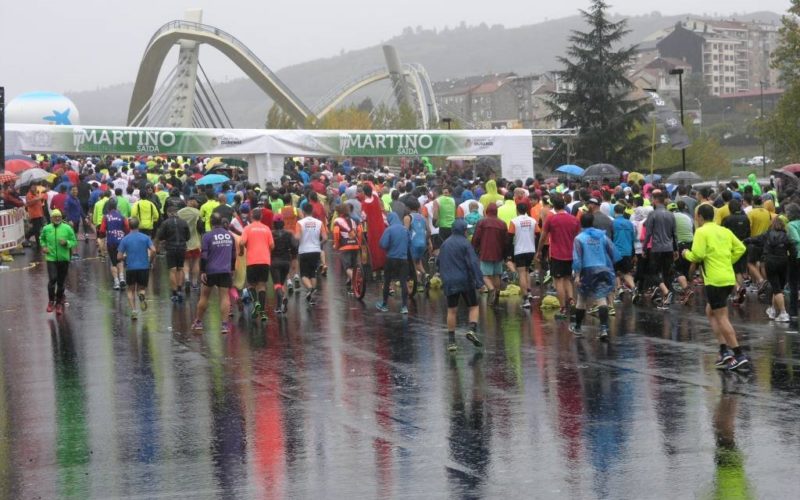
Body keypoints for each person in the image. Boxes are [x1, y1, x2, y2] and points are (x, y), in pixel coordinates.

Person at [683, 204, 749, 370]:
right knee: (710, 311)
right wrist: (728, 260)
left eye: (696, 216)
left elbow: (697, 255)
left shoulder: (701, 231)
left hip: (714, 280)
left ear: (700, 217)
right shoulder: (724, 230)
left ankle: (738, 353)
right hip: (728, 277)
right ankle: (723, 351)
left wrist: (685, 254)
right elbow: (741, 248)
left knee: (721, 316)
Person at [570, 213, 619, 339]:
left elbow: (577, 258)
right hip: (602, 269)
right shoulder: (601, 236)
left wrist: (577, 275)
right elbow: (612, 250)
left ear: (581, 223)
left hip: (587, 271)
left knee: (581, 299)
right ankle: (603, 329)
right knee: (601, 298)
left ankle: (578, 327)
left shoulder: (579, 238)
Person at [438, 219, 484, 351]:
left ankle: (451, 341)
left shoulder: (444, 244)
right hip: (465, 280)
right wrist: (479, 282)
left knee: (452, 310)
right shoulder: (465, 244)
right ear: (463, 230)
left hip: (449, 281)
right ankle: (471, 329)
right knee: (473, 306)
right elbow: (473, 263)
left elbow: (438, 262)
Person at [537, 195, 580, 319]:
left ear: (554, 207)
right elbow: (577, 236)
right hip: (570, 254)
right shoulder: (573, 219)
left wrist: (539, 251)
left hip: (556, 255)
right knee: (567, 279)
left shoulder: (551, 219)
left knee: (558, 281)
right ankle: (571, 301)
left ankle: (562, 308)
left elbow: (543, 236)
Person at [193, 213, 237, 333]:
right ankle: (224, 325)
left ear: (211, 223)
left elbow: (204, 256)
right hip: (225, 270)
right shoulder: (229, 236)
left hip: (210, 271)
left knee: (204, 297)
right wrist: (232, 269)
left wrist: (202, 271)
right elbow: (233, 255)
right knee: (224, 297)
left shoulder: (207, 236)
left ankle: (198, 322)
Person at [745, 218, 793, 322]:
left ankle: (783, 313)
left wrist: (746, 240)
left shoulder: (768, 234)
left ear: (772, 225)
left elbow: (756, 239)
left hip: (771, 262)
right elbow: (792, 249)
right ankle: (772, 310)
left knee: (776, 289)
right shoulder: (786, 236)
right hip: (784, 262)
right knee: (778, 288)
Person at [643, 191, 678, 309]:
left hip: (657, 248)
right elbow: (674, 234)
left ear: (656, 201)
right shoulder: (671, 214)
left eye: (653, 199)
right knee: (666, 273)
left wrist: (644, 247)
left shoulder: (652, 214)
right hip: (669, 248)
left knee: (653, 273)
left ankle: (666, 293)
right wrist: (676, 249)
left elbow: (648, 233)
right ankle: (666, 299)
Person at [240, 207, 275, 321]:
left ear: (251, 217)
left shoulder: (247, 228)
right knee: (262, 286)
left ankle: (256, 303)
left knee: (250, 285)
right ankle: (263, 312)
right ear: (261, 217)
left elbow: (241, 242)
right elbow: (272, 246)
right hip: (264, 260)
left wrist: (242, 250)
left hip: (252, 260)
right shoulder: (266, 228)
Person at [117, 217, 156, 320]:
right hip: (144, 266)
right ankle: (142, 295)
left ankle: (134, 311)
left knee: (130, 290)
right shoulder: (145, 237)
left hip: (131, 267)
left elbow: (119, 257)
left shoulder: (125, 239)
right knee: (142, 288)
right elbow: (154, 250)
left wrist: (125, 257)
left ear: (129, 226)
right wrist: (150, 261)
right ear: (138, 225)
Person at [40, 209, 77, 314]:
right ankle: (51, 301)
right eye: (55, 216)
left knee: (60, 282)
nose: (57, 218)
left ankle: (59, 303)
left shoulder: (67, 228)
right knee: (52, 279)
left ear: (61, 218)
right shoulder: (46, 228)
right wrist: (44, 247)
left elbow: (74, 241)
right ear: (51, 218)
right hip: (51, 258)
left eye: (59, 216)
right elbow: (41, 239)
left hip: (64, 259)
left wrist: (66, 243)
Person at [472, 202, 508, 306]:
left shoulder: (482, 222)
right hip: (499, 253)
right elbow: (506, 241)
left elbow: (476, 238)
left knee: (484, 275)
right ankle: (496, 294)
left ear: (487, 211)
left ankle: (491, 289)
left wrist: (474, 248)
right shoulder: (502, 223)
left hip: (485, 252)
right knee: (496, 275)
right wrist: (505, 254)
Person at [375, 212, 411, 314]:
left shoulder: (389, 230)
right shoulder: (405, 229)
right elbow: (409, 243)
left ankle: (385, 304)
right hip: (403, 260)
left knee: (387, 281)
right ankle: (404, 307)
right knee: (403, 282)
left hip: (391, 259)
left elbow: (383, 244)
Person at [156, 207, 191, 302]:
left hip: (171, 248)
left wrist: (164, 241)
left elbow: (160, 236)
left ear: (168, 213)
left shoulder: (165, 223)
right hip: (182, 248)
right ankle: (180, 290)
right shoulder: (183, 222)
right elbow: (188, 237)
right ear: (177, 213)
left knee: (172, 270)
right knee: (180, 269)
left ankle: (174, 293)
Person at [296, 203, 327, 305]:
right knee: (313, 273)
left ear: (303, 212)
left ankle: (310, 289)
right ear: (312, 211)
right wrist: (319, 244)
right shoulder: (319, 222)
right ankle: (311, 297)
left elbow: (297, 237)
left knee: (304, 275)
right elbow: (325, 238)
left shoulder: (300, 223)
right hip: (316, 251)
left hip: (304, 251)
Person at [508, 202, 538, 308]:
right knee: (527, 271)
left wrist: (509, 253)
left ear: (517, 210)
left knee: (521, 273)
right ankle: (529, 293)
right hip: (531, 249)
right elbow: (538, 234)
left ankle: (525, 299)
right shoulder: (533, 220)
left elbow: (510, 237)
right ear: (526, 210)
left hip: (519, 250)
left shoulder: (514, 221)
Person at [98, 198, 129, 289]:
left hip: (111, 241)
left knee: (113, 262)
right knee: (120, 260)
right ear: (116, 206)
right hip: (121, 241)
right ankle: (122, 278)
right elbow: (127, 228)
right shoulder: (121, 216)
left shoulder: (106, 217)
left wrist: (102, 237)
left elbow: (102, 231)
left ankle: (116, 282)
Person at [270, 215, 297, 314]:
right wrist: (294, 259)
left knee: (277, 284)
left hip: (274, 262)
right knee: (281, 284)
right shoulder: (289, 234)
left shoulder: (271, 234)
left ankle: (282, 297)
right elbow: (295, 246)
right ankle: (278, 306)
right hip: (286, 262)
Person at [332, 203, 363, 289]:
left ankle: (355, 280)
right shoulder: (354, 220)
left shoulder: (337, 221)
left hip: (345, 247)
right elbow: (360, 231)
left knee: (347, 267)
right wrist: (359, 243)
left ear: (338, 212)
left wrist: (336, 245)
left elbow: (336, 234)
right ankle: (352, 282)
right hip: (355, 245)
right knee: (354, 265)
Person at [178, 197, 203, 291]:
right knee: (196, 261)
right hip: (196, 241)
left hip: (184, 242)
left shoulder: (180, 212)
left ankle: (187, 278)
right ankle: (195, 282)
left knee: (185, 262)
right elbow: (200, 227)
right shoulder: (197, 213)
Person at [612, 204, 636, 298]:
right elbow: (632, 238)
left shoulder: (613, 223)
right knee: (626, 272)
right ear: (623, 212)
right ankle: (633, 288)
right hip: (627, 251)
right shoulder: (629, 223)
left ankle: (619, 289)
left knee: (615, 272)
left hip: (616, 251)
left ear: (615, 212)